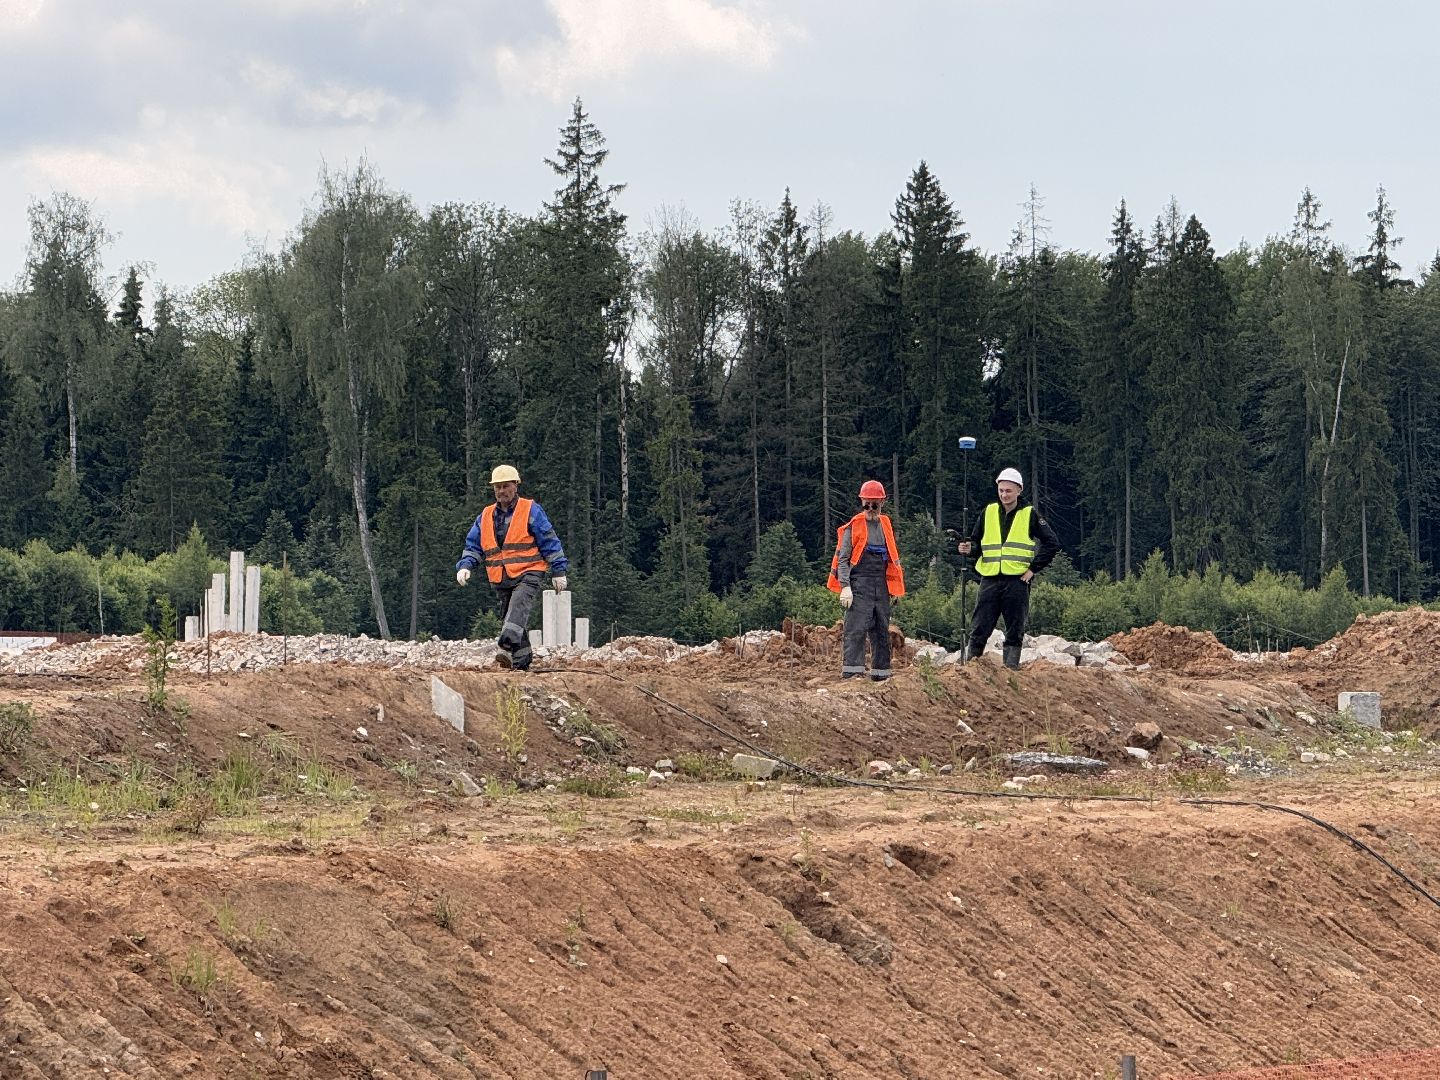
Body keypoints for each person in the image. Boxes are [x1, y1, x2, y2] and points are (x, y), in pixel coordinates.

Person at [455, 464, 569, 671]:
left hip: (530, 571)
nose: (501, 491)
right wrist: (466, 566)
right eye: (497, 487)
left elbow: (549, 540)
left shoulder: (530, 510)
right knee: (513, 617)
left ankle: (505, 645)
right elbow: (474, 545)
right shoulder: (486, 515)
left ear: (515, 486)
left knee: (517, 608)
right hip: (501, 576)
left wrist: (558, 570)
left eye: (505, 486)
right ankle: (520, 663)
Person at [956, 467, 1059, 669]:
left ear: (1019, 490)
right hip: (990, 578)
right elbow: (977, 543)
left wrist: (1033, 570)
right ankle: (971, 670)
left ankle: (1010, 671)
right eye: (1001, 490)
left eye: (1008, 491)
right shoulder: (989, 512)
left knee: (1014, 630)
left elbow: (1052, 543)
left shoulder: (1030, 514)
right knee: (979, 627)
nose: (1004, 494)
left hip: (1017, 580)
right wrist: (967, 548)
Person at [827, 480, 906, 681]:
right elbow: (843, 560)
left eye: (875, 504)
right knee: (856, 629)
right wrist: (845, 587)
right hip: (859, 584)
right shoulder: (852, 527)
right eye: (867, 504)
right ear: (861, 501)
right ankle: (852, 673)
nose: (871, 508)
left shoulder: (886, 524)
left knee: (881, 629)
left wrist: (895, 589)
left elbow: (893, 559)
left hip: (881, 584)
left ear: (882, 503)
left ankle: (881, 674)